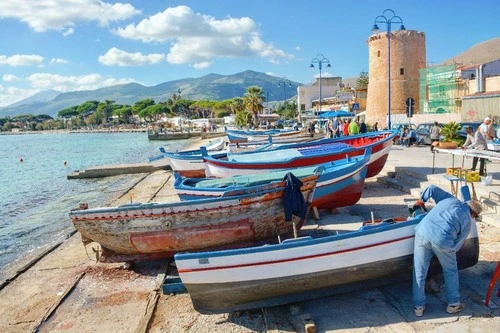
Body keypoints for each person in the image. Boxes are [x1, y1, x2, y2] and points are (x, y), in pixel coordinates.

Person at [412, 185, 482, 317]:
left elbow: (432, 188)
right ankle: (453, 304)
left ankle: (418, 307)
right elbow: (457, 246)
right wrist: (445, 252)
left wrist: (421, 201)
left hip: (422, 232)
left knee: (419, 271)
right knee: (450, 271)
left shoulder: (450, 199)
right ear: (473, 214)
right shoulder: (467, 221)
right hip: (443, 241)